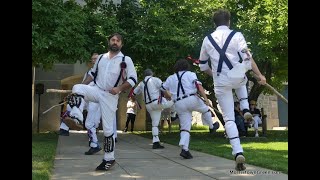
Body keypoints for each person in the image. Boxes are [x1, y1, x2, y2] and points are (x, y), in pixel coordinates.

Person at [198, 9, 266, 171]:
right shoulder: (237, 35)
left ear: (214, 23)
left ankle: (237, 151)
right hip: (237, 76)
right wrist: (260, 75)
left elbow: (202, 66)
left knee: (229, 119)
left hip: (221, 81)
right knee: (241, 76)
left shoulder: (207, 40)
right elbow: (248, 58)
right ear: (229, 22)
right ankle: (245, 107)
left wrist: (214, 74)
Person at [65, 33, 137, 171]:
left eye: (118, 40)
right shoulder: (101, 58)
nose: (115, 42)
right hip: (97, 90)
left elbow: (133, 79)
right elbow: (92, 74)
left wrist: (119, 88)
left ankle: (109, 158)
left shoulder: (126, 59)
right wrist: (81, 90)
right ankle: (76, 117)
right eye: (113, 40)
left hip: (110, 95)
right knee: (77, 87)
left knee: (108, 129)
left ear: (121, 44)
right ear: (109, 42)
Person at [161, 59, 220, 159]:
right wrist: (206, 99)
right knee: (205, 109)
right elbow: (198, 86)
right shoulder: (191, 74)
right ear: (186, 66)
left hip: (178, 103)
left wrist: (169, 96)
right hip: (191, 98)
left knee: (185, 127)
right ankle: (211, 126)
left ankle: (185, 149)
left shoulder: (171, 78)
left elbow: (162, 89)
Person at [131, 68, 174, 149]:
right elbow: (164, 89)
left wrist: (135, 101)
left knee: (155, 124)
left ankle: (156, 142)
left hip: (148, 105)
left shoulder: (141, 83)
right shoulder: (155, 79)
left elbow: (133, 93)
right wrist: (169, 97)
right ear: (152, 73)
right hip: (156, 102)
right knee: (175, 100)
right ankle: (174, 114)